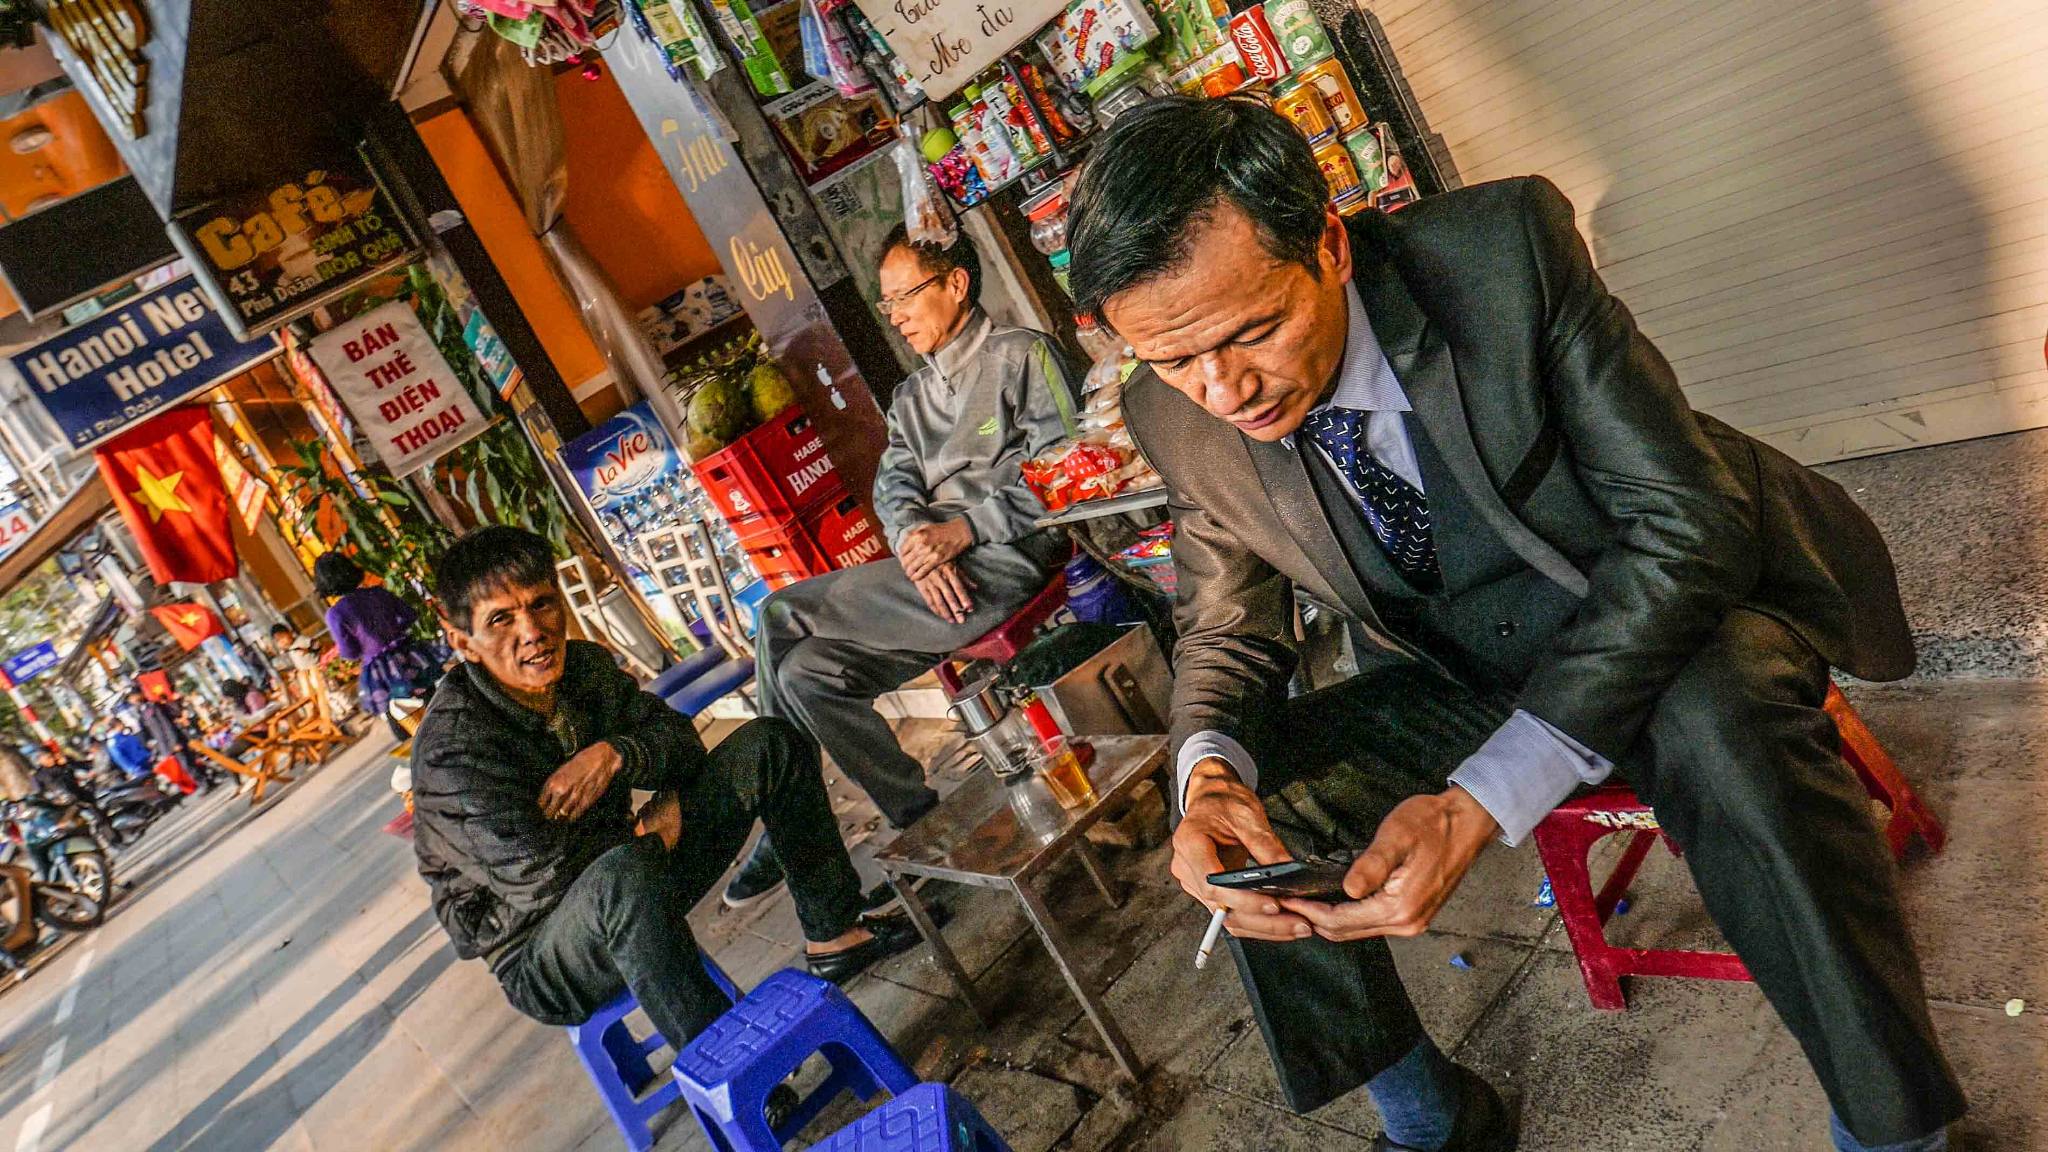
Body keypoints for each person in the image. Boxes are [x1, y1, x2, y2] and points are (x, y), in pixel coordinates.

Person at [1065, 97, 1963, 1152]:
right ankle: (1429, 1117)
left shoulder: (1498, 260)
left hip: (1669, 612)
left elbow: (1685, 528)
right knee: (1252, 813)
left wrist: (1484, 798)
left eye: (1252, 331)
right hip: (1473, 671)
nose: (1223, 390)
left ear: (1329, 247)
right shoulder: (1172, 415)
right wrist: (1210, 777)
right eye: (1174, 359)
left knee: (1725, 727)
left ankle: (1893, 1130)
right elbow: (1225, 626)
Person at [410, 526, 921, 1107]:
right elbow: (539, 878)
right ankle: (735, 1076)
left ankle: (836, 935)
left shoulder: (583, 669)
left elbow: (680, 743)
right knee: (622, 878)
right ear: (462, 640)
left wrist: (617, 753)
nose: (532, 633)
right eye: (501, 620)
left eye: (542, 604)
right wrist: (646, 838)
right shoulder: (453, 752)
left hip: (635, 870)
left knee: (770, 744)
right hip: (543, 950)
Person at [734, 225, 1079, 907]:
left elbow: (1066, 471)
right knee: (807, 675)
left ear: (956, 283)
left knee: (780, 612)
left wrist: (964, 530)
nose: (894, 315)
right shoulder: (913, 397)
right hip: (936, 578)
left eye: (905, 296)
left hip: (1004, 562)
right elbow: (893, 487)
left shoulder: (1021, 356)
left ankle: (783, 823)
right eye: (886, 303)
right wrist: (916, 541)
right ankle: (919, 818)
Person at [315, 552, 445, 738]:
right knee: (437, 705)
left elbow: (350, 652)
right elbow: (409, 615)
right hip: (409, 656)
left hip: (382, 673)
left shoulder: (336, 614)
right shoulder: (377, 593)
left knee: (405, 725)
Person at [130, 686, 221, 792]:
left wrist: (175, 742)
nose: (132, 700)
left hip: (173, 742)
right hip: (165, 745)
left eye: (133, 697)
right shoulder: (142, 713)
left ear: (140, 694)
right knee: (186, 764)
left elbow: (167, 725)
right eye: (130, 699)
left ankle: (204, 784)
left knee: (187, 764)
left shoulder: (153, 707)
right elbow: (153, 733)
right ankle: (208, 780)